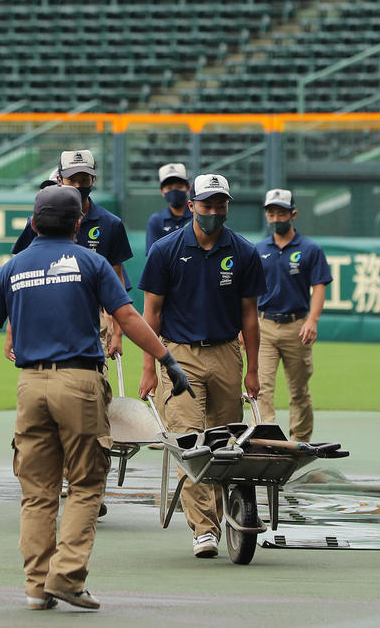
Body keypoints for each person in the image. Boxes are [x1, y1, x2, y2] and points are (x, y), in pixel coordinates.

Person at [0, 185, 190, 611]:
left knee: (38, 490)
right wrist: (166, 359)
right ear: (78, 223)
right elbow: (127, 317)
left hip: (30, 385)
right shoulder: (91, 262)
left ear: (34, 224)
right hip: (78, 382)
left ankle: (36, 587)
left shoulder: (13, 267)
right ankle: (67, 577)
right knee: (85, 483)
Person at [137, 172, 265, 559]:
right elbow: (151, 314)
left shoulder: (243, 252)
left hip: (227, 353)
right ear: (191, 205)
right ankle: (203, 528)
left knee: (225, 445)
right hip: (179, 356)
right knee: (190, 442)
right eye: (206, 205)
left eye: (220, 205)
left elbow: (250, 317)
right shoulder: (165, 250)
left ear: (227, 207)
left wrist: (253, 369)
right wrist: (148, 366)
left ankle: (229, 515)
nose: (213, 212)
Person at [11, 149, 133, 356]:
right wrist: (13, 328)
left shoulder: (110, 224)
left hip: (93, 315)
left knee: (93, 382)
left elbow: (117, 281)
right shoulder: (38, 222)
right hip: (46, 312)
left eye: (84, 179)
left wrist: (118, 331)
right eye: (72, 179)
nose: (78, 185)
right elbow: (20, 273)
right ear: (59, 179)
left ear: (94, 179)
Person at [254, 187, 331, 442]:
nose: (276, 218)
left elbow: (319, 286)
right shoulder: (259, 249)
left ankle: (299, 441)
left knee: (298, 390)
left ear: (293, 214)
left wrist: (312, 320)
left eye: (281, 213)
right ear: (267, 216)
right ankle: (266, 438)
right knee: (261, 387)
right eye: (272, 213)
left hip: (296, 325)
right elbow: (249, 291)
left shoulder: (310, 249)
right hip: (264, 324)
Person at [145, 162, 193, 253]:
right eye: (169, 188)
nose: (174, 191)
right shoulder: (156, 220)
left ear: (188, 189)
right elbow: (153, 256)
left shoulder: (197, 216)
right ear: (162, 191)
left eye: (179, 187)